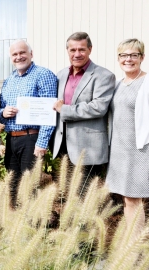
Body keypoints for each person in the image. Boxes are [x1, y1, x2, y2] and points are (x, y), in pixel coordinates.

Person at [0, 39, 57, 206]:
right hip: (12, 138)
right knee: (13, 185)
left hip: (32, 138)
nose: (19, 57)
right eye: (14, 54)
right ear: (10, 58)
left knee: (29, 186)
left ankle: (32, 226)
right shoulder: (9, 81)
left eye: (22, 52)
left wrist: (41, 143)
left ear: (31, 54)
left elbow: (49, 112)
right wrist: (3, 113)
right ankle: (15, 222)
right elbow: (0, 112)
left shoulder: (44, 75)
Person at [52, 32, 115, 188]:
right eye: (73, 50)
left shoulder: (104, 76)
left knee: (84, 196)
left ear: (90, 49)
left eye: (81, 49)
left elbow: (98, 107)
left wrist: (64, 109)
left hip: (88, 147)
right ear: (68, 51)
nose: (77, 54)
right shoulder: (60, 75)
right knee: (66, 193)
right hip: (63, 144)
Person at [105, 39, 149, 233]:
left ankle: (134, 253)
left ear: (142, 57)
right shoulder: (117, 85)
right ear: (118, 59)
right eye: (124, 55)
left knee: (134, 199)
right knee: (127, 199)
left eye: (134, 55)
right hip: (119, 151)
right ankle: (131, 245)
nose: (128, 59)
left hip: (141, 151)